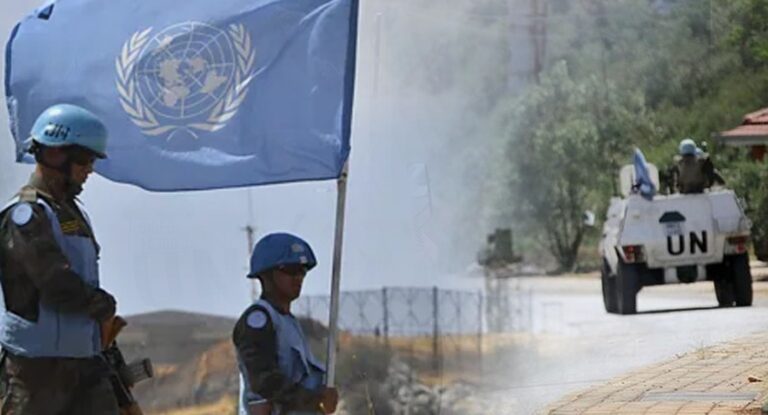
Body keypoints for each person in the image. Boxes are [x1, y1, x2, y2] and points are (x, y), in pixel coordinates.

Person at [0, 104, 119, 414]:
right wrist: (102, 304)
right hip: (36, 371)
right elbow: (55, 283)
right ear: (55, 154)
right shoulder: (26, 214)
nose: (89, 170)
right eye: (84, 160)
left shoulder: (72, 214)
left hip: (83, 363)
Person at [233, 233, 338, 415]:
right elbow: (264, 381)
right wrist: (314, 399)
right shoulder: (258, 320)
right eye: (289, 270)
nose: (298, 277)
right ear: (266, 275)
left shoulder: (289, 322)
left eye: (302, 271)